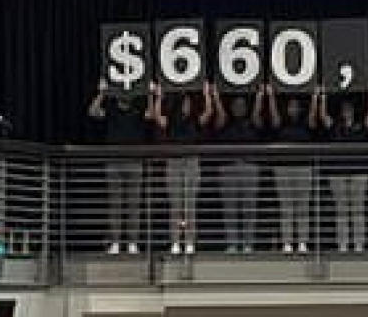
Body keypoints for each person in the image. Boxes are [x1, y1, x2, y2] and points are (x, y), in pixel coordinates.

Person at [88, 79, 149, 255]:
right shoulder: (112, 109)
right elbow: (93, 112)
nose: (125, 95)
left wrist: (152, 95)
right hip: (114, 162)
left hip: (135, 162)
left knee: (134, 205)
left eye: (128, 92)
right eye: (122, 92)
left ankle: (132, 242)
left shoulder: (138, 109)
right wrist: (102, 93)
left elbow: (151, 115)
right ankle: (115, 241)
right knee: (115, 204)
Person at [154, 82, 212, 255]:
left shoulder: (194, 120)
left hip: (192, 162)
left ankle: (189, 242)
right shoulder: (171, 120)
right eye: (184, 103)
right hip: (174, 163)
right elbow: (158, 118)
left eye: (188, 103)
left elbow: (208, 114)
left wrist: (207, 95)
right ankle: (175, 242)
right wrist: (159, 97)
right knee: (175, 205)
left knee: (190, 206)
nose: (186, 106)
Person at [210, 86, 267, 254]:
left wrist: (259, 97)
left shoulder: (252, 121)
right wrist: (215, 97)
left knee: (249, 209)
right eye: (236, 105)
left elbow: (258, 119)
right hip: (228, 168)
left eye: (242, 105)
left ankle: (248, 244)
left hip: (249, 167)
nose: (239, 108)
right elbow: (219, 119)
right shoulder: (225, 121)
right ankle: (233, 244)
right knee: (230, 209)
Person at [320, 85, 368, 253]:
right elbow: (323, 117)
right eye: (344, 109)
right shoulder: (335, 125)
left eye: (349, 109)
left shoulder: (360, 125)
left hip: (359, 172)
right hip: (337, 173)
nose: (347, 112)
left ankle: (358, 246)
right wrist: (321, 97)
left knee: (358, 210)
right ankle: (342, 246)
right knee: (341, 211)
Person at [270, 84, 318, 254]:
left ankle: (303, 242)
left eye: (296, 106)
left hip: (304, 168)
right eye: (290, 106)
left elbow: (313, 120)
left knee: (303, 207)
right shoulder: (281, 122)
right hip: (283, 168)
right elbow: (274, 119)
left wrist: (314, 99)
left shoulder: (305, 123)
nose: (293, 109)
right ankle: (287, 243)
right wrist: (271, 97)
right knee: (286, 207)